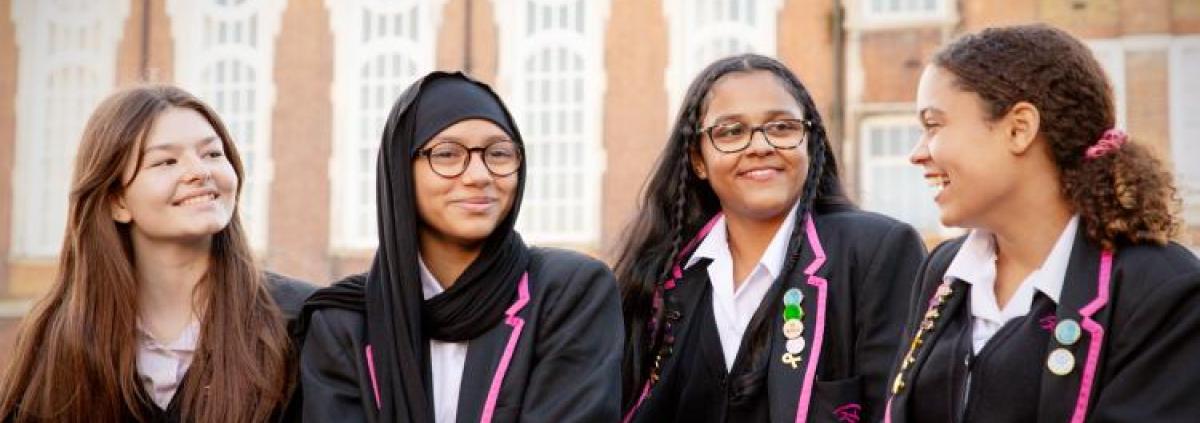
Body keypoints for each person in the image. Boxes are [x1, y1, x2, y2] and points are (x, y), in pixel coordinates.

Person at [885, 24, 1200, 422]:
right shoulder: (944, 270)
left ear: (1019, 128)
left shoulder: (1161, 288)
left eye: (933, 125)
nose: (917, 154)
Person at [616, 54, 926, 423]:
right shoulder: (662, 279)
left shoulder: (877, 251)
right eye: (731, 131)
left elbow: (898, 409)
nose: (760, 145)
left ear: (809, 142)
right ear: (698, 159)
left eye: (781, 127)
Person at [299, 71, 622, 422]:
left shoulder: (568, 294)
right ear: (400, 172)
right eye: (448, 154)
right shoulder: (344, 323)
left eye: (498, 153)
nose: (479, 175)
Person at [0, 85, 314, 422]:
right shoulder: (58, 337)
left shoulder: (300, 322)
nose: (200, 171)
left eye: (212, 154)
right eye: (166, 161)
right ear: (117, 201)